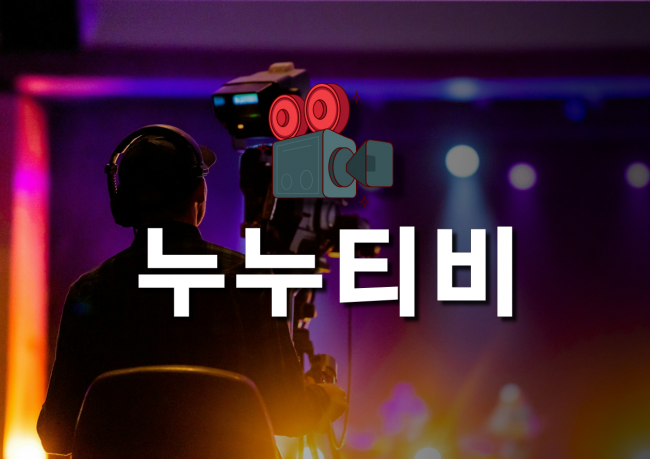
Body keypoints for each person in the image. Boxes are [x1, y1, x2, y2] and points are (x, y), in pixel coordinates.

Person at [37, 128, 347, 455]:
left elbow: (56, 434)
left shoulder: (88, 293)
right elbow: (291, 414)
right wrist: (323, 398)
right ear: (200, 191)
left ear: (123, 202)